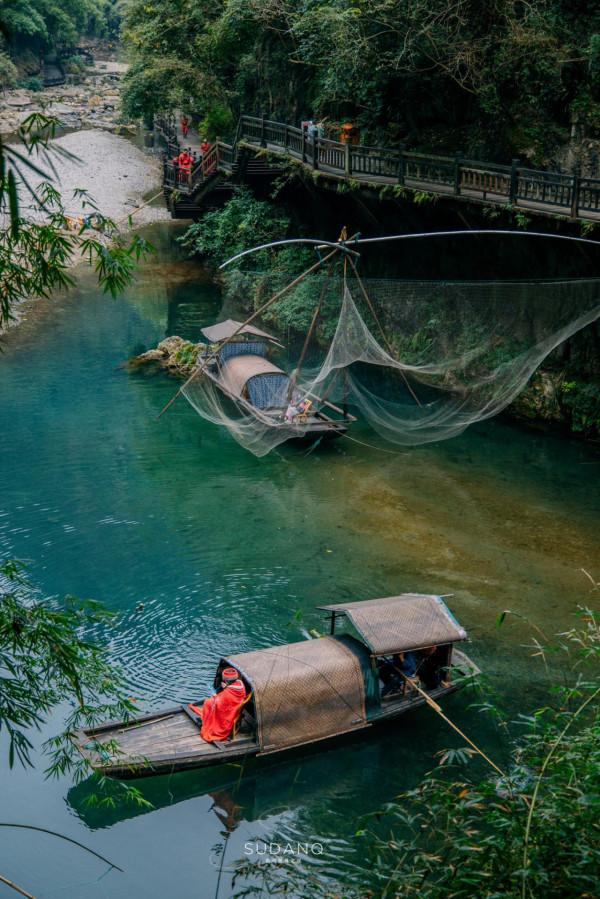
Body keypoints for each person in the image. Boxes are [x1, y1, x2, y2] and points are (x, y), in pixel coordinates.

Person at [188, 667, 247, 743]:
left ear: (226, 680)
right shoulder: (240, 684)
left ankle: (209, 721)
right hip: (235, 705)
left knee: (207, 703)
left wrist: (218, 693)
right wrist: (226, 687)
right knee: (210, 701)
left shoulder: (228, 693)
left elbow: (219, 703)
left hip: (230, 711)